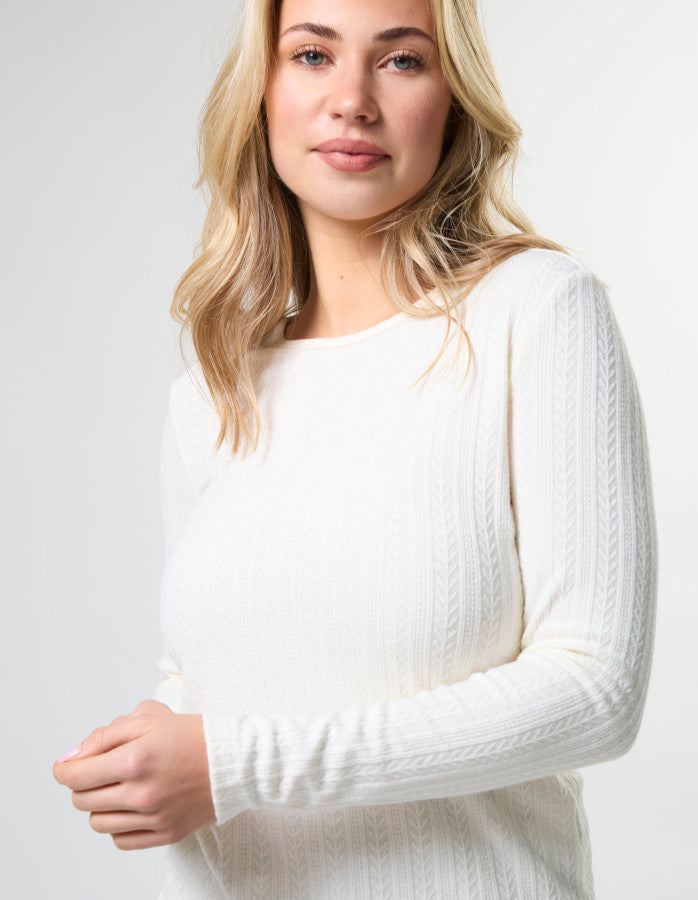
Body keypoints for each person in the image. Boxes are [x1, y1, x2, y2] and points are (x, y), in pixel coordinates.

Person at [53, 0, 658, 896]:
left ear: (452, 98)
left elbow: (594, 690)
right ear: (262, 91)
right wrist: (153, 746)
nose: (352, 100)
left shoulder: (536, 312)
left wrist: (235, 765)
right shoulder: (213, 393)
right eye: (311, 55)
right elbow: (204, 684)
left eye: (401, 60)